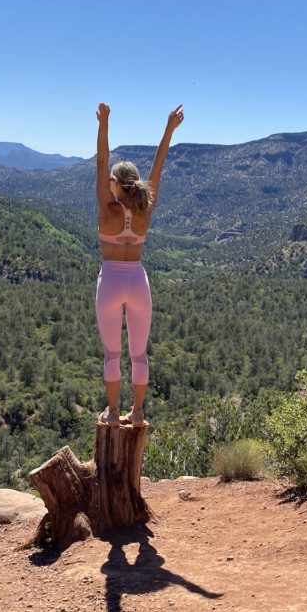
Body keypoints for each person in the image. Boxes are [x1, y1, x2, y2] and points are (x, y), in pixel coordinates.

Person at [95, 102, 184, 427]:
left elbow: (102, 159)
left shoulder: (107, 208)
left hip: (111, 280)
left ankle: (114, 412)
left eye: (110, 181)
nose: (108, 183)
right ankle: (139, 411)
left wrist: (104, 123)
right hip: (137, 280)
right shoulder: (146, 208)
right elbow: (158, 167)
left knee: (112, 354)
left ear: (116, 183)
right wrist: (168, 131)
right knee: (139, 354)